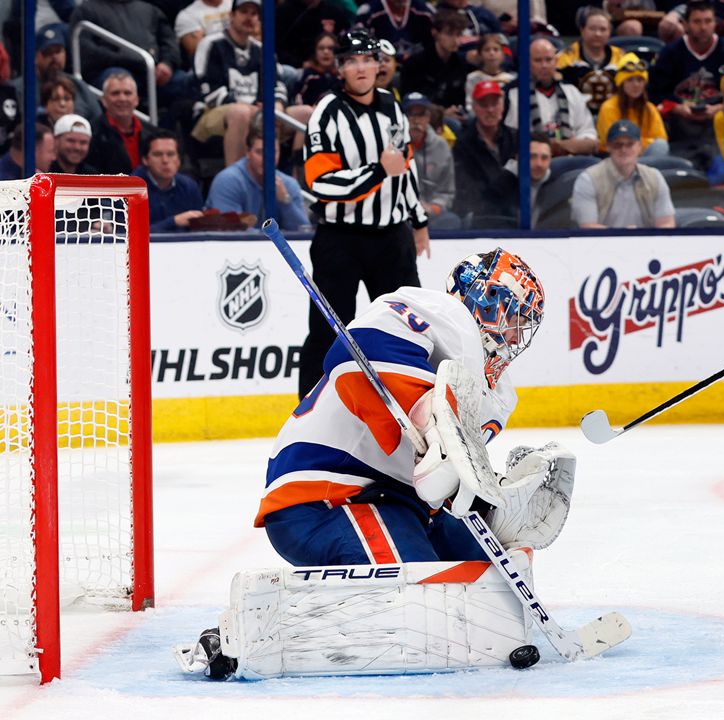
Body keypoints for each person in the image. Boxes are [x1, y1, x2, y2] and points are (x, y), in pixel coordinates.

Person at [176, 249, 574, 680]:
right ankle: (243, 634)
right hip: (326, 499)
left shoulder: (499, 393)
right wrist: (426, 411)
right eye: (509, 311)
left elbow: (446, 478)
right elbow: (352, 357)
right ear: (478, 296)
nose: (514, 333)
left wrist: (495, 506)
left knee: (489, 577)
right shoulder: (434, 310)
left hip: (398, 505)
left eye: (523, 323)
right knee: (424, 596)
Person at [299, 28, 432, 399]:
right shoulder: (326, 112)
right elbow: (320, 182)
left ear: (378, 65)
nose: (361, 68)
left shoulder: (392, 105)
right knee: (329, 329)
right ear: (340, 68)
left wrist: (418, 221)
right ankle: (309, 411)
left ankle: (414, 403)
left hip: (392, 237)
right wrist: (377, 171)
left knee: (406, 327)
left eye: (367, 60)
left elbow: (405, 168)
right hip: (340, 240)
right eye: (352, 61)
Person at [649, 0, 724, 169]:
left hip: (720, 123)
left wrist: (721, 108)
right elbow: (656, 93)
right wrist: (677, 107)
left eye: (708, 21)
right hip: (681, 126)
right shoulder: (670, 53)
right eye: (697, 21)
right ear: (685, 24)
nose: (703, 27)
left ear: (715, 23)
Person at [195, 0, 289, 166]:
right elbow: (208, 91)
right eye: (244, 11)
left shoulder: (262, 50)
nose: (250, 18)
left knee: (303, 113)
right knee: (241, 113)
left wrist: (278, 104)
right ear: (231, 15)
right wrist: (254, 109)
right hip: (212, 113)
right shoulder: (211, 44)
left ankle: (300, 181)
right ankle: (236, 182)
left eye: (254, 14)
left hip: (260, 111)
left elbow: (279, 84)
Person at [69, 0, 182, 102]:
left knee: (187, 82)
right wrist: (130, 59)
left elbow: (168, 41)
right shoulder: (86, 10)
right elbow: (85, 50)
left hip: (153, 71)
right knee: (121, 84)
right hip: (113, 70)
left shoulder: (150, 9)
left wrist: (167, 63)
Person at [572, 119, 675, 229]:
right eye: (617, 145)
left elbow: (666, 223)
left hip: (646, 244)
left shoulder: (655, 177)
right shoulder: (588, 179)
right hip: (601, 244)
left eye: (630, 144)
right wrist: (624, 236)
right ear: (608, 147)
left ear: (640, 146)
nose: (624, 149)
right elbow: (588, 227)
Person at [504, 38, 599, 157]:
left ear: (556, 61)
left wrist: (563, 145)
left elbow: (589, 137)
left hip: (569, 161)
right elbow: (512, 139)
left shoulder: (572, 92)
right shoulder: (515, 94)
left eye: (549, 60)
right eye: (538, 60)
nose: (544, 65)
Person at [207, 123, 310, 229]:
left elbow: (303, 230)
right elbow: (231, 229)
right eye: (259, 152)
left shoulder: (288, 184)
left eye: (273, 152)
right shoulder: (228, 181)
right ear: (248, 152)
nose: (267, 158)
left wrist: (285, 201)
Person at [453, 80, 518, 223]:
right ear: (474, 107)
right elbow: (471, 193)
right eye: (484, 104)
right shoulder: (463, 145)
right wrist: (509, 174)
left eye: (494, 104)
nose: (490, 110)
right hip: (483, 216)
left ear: (502, 106)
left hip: (517, 210)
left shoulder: (516, 138)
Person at [11, 24, 101, 122]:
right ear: (35, 57)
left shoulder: (78, 86)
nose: (54, 57)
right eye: (48, 52)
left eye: (58, 51)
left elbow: (98, 122)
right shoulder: (18, 88)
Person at [132, 129, 207, 232]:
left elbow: (200, 230)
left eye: (171, 154)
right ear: (145, 160)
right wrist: (173, 222)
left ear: (179, 160)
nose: (165, 161)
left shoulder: (189, 186)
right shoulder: (130, 189)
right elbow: (126, 235)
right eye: (158, 154)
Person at [595, 53, 668, 156]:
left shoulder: (649, 108)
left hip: (644, 158)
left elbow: (661, 139)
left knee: (660, 145)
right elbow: (614, 142)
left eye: (640, 80)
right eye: (630, 80)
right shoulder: (608, 108)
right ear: (621, 84)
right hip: (614, 158)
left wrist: (633, 143)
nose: (636, 85)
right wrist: (643, 142)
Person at [402, 10, 472, 119]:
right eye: (449, 34)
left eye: (458, 35)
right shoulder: (415, 63)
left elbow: (460, 99)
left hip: (454, 116)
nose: (455, 40)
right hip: (423, 117)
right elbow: (410, 100)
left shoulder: (460, 63)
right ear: (435, 33)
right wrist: (442, 113)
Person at [556, 7, 625, 114]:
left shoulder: (621, 57)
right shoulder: (565, 58)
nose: (597, 34)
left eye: (603, 29)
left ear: (610, 32)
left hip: (613, 115)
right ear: (582, 30)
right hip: (575, 115)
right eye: (592, 29)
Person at [87, 71, 157, 175]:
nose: (122, 98)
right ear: (104, 100)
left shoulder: (153, 134)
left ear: (136, 100)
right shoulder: (91, 133)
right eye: (115, 93)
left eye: (127, 93)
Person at [404, 93, 456, 225]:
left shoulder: (441, 146)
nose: (416, 120)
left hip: (433, 213)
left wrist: (434, 207)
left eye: (421, 114)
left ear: (428, 117)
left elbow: (447, 190)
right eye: (410, 114)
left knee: (452, 221)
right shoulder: (392, 146)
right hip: (402, 214)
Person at [276, 0, 353, 68]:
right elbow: (278, 49)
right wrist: (301, 64)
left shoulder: (334, 12)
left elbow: (347, 44)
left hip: (333, 68)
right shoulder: (284, 12)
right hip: (297, 68)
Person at [356, 0, 434, 59]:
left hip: (418, 69)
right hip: (381, 67)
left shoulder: (426, 12)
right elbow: (359, 47)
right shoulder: (368, 13)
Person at [464, 34, 515, 115]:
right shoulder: (473, 77)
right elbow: (469, 103)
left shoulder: (510, 79)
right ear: (480, 55)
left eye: (496, 50)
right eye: (487, 50)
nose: (491, 53)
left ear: (502, 55)